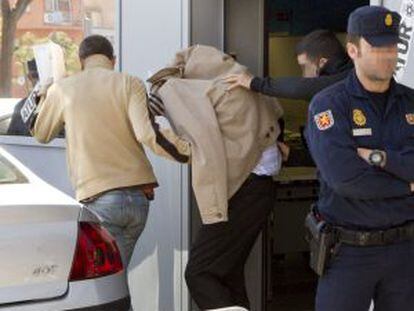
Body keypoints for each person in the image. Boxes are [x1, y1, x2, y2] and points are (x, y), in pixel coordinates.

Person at [31, 35, 191, 307]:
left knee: (107, 289)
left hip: (99, 200)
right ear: (112, 60)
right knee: (112, 282)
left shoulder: (64, 88)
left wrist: (44, 94)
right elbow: (147, 133)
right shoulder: (129, 82)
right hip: (139, 199)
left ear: (81, 62)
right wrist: (188, 152)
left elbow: (41, 133)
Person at [305, 6, 414, 311]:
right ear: (353, 50)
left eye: (392, 46)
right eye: (377, 47)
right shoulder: (329, 105)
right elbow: (347, 179)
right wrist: (407, 186)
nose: (388, 55)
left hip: (405, 251)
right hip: (349, 253)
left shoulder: (410, 102)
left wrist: (380, 158)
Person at [223, 29, 353, 100]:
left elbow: (301, 87)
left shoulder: (349, 79)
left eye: (304, 66)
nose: (303, 74)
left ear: (323, 62)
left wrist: (255, 83)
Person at [7, 59, 39, 136]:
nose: (40, 80)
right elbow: (11, 140)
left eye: (44, 75)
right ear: (29, 77)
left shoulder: (64, 106)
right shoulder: (20, 107)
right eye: (36, 75)